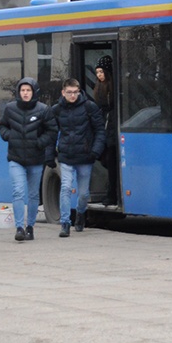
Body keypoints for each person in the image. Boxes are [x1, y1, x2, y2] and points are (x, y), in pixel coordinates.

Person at [0, 77, 56, 242]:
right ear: (18, 92)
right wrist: (9, 136)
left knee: (33, 194)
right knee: (18, 191)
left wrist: (40, 143)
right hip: (15, 157)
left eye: (28, 90)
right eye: (22, 90)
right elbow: (2, 125)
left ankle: (30, 227)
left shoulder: (43, 110)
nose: (25, 93)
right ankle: (19, 228)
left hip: (36, 159)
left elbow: (52, 131)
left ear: (34, 92)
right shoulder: (10, 108)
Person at [46, 78, 106, 237]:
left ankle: (80, 213)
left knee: (84, 194)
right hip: (66, 155)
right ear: (63, 92)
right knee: (65, 188)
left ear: (79, 92)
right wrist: (50, 154)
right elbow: (51, 134)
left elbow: (100, 130)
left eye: (75, 92)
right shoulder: (56, 110)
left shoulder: (89, 107)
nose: (72, 95)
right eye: (69, 92)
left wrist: (96, 151)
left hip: (85, 156)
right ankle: (65, 223)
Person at [93, 56, 118, 206]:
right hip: (104, 128)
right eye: (97, 72)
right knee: (105, 159)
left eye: (101, 72)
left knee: (111, 160)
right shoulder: (99, 88)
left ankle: (112, 192)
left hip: (111, 130)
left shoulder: (114, 88)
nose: (99, 75)